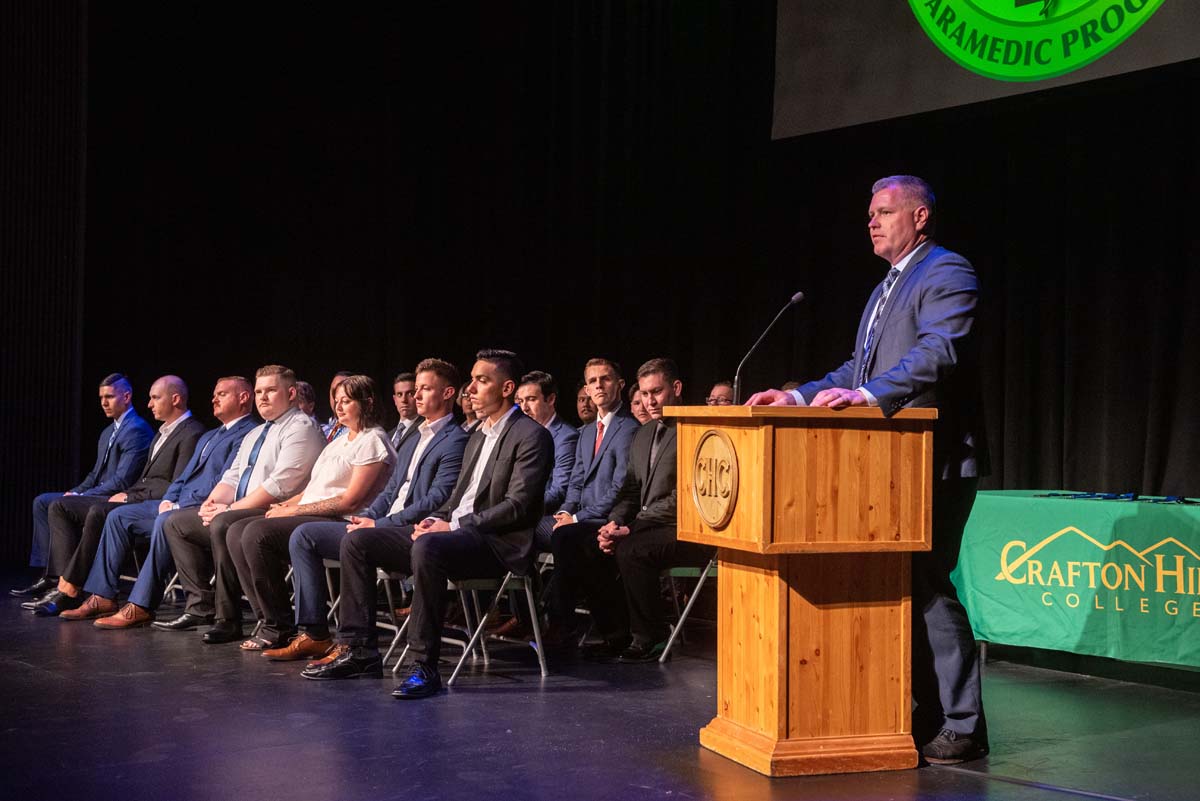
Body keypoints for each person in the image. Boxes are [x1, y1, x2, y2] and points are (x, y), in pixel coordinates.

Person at [745, 175, 989, 764]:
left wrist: (871, 395)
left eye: (884, 212)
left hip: (937, 457)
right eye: (869, 214)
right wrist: (798, 397)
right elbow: (858, 366)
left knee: (928, 583)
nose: (872, 222)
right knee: (900, 587)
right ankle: (924, 714)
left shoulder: (947, 272)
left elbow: (938, 353)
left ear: (920, 217)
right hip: (885, 465)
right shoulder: (886, 287)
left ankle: (965, 722)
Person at [301, 349, 553, 699]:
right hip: (455, 533)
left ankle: (424, 666)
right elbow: (458, 495)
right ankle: (359, 652)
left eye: (482, 381)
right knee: (358, 541)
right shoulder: (479, 433)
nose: (472, 389)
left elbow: (519, 507)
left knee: (429, 546)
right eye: (473, 380)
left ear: (507, 388)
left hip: (497, 543)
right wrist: (436, 519)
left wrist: (450, 527)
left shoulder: (531, 435)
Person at [276, 359, 470, 661]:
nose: (416, 396)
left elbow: (436, 498)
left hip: (412, 529)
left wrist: (380, 524)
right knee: (305, 536)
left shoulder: (456, 439)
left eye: (425, 389)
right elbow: (391, 490)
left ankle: (357, 647)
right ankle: (314, 632)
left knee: (354, 541)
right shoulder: (416, 436)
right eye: (416, 389)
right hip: (383, 524)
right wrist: (369, 518)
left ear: (448, 394)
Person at [552, 358, 711, 662]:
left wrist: (632, 525)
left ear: (676, 388)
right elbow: (630, 490)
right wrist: (613, 522)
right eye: (645, 394)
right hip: (648, 523)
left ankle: (650, 636)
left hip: (684, 528)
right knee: (586, 541)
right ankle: (615, 633)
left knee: (632, 550)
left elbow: (686, 498)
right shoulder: (645, 432)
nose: (650, 401)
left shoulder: (694, 430)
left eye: (657, 392)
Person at [226, 375, 396, 652]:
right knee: (237, 529)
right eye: (337, 401)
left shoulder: (373, 440)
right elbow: (314, 488)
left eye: (347, 401)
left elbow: (350, 502)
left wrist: (295, 510)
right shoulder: (340, 440)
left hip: (342, 522)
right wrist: (284, 506)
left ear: (368, 403)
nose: (339, 407)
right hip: (313, 513)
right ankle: (273, 620)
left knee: (259, 533)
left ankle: (309, 630)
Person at [162, 364, 325, 645]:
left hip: (280, 511)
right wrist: (212, 502)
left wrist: (227, 511)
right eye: (259, 391)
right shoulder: (255, 433)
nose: (262, 397)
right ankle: (201, 605)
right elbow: (232, 476)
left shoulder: (301, 427)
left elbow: (280, 486)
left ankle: (233, 618)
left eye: (271, 390)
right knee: (176, 522)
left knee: (226, 524)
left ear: (291, 392)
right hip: (242, 509)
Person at [82, 377, 257, 629]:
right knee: (119, 516)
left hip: (202, 507)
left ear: (243, 398)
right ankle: (102, 595)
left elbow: (227, 480)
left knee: (167, 521)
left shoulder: (248, 433)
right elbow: (184, 476)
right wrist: (168, 498)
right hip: (178, 504)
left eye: (222, 394)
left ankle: (141, 606)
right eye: (214, 394)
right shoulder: (209, 435)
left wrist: (179, 505)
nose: (213, 399)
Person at [35, 376, 205, 617]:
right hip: (135, 497)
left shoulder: (191, 433)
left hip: (156, 505)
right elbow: (141, 479)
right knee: (61, 505)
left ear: (175, 399)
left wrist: (128, 497)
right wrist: (121, 494)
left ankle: (71, 587)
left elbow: (177, 484)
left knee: (101, 512)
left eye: (155, 398)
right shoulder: (160, 434)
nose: (149, 404)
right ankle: (71, 585)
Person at [12, 373, 154, 602]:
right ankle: (49, 574)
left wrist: (83, 495)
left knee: (60, 505)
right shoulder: (109, 432)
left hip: (114, 498)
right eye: (101, 398)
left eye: (109, 397)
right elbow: (95, 474)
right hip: (95, 493)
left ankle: (64, 580)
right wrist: (77, 491)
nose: (104, 403)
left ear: (126, 397)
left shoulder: (137, 429)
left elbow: (121, 481)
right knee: (42, 501)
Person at [516, 370, 578, 538]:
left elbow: (559, 490)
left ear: (550, 399)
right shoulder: (522, 435)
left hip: (546, 513)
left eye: (531, 399)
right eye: (520, 401)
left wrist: (521, 507)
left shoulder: (566, 437)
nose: (524, 408)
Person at [389, 372, 422, 449]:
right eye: (399, 394)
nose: (404, 400)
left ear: (418, 396)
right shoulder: (388, 435)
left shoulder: (425, 430)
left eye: (410, 394)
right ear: (395, 400)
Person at [322, 371, 353, 442]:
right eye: (333, 391)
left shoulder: (357, 432)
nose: (336, 397)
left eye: (342, 392)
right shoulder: (324, 429)